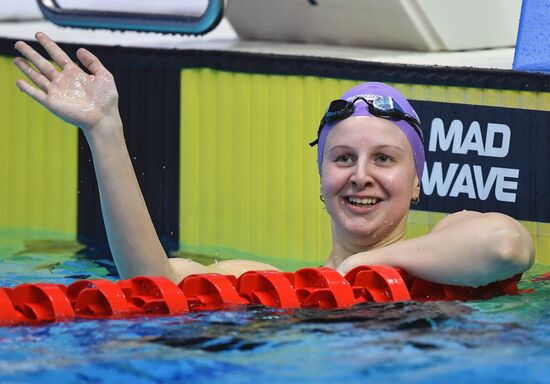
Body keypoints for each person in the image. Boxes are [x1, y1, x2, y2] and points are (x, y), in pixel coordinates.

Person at [13, 32, 534, 287]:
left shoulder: (448, 248)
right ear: (321, 179)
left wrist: (360, 265)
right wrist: (105, 132)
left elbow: (507, 245)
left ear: (417, 181)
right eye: (343, 158)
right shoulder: (276, 283)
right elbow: (153, 281)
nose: (360, 175)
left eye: (384, 158)